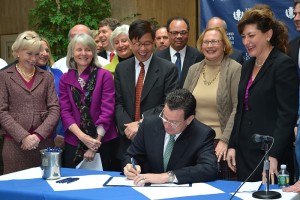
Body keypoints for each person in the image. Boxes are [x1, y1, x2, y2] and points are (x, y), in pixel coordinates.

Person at [226, 5, 299, 183]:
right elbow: (241, 110)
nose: (246, 41)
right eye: (243, 37)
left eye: (251, 35)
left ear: (268, 35)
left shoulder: (283, 65)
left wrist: (274, 154)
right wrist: (233, 145)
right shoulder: (247, 66)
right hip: (244, 152)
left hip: (271, 153)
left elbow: (286, 116)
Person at [114, 19, 178, 164]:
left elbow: (168, 104)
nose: (143, 49)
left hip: (156, 139)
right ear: (130, 43)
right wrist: (128, 127)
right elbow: (117, 103)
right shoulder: (121, 69)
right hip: (127, 140)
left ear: (154, 42)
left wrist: (140, 124)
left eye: (147, 43)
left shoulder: (168, 69)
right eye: (138, 44)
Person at [122, 89, 218, 185]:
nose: (167, 125)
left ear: (189, 119)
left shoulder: (202, 134)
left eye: (174, 122)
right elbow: (131, 155)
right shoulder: (149, 124)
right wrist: (129, 166)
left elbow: (209, 168)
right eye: (165, 118)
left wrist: (167, 176)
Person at [183, 27, 241, 180]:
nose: (210, 46)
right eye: (206, 42)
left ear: (224, 45)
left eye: (214, 41)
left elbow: (238, 107)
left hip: (220, 143)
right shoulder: (193, 69)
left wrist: (225, 140)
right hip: (193, 139)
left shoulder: (235, 69)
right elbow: (183, 104)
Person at [0, 31, 60, 174]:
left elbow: (55, 109)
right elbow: (1, 111)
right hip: (15, 145)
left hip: (44, 144)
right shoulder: (4, 76)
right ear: (17, 52)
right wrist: (23, 137)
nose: (33, 58)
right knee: (15, 191)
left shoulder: (47, 77)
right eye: (29, 53)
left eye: (36, 54)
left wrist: (38, 136)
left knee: (45, 189)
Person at [59, 33, 118, 170]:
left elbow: (107, 110)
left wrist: (95, 143)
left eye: (88, 49)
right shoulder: (65, 79)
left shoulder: (105, 75)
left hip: (103, 141)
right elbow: (65, 112)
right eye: (79, 49)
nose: (83, 53)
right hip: (74, 141)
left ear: (93, 53)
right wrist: (83, 137)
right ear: (72, 53)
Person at [156, 16, 204, 88]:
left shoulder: (199, 56)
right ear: (168, 34)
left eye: (183, 32)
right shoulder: (157, 58)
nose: (179, 36)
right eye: (174, 33)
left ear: (188, 33)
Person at [36, 37, 65, 149]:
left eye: (47, 50)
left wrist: (62, 133)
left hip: (57, 134)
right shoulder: (25, 77)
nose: (44, 53)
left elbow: (66, 105)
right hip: (33, 135)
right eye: (40, 50)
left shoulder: (58, 74)